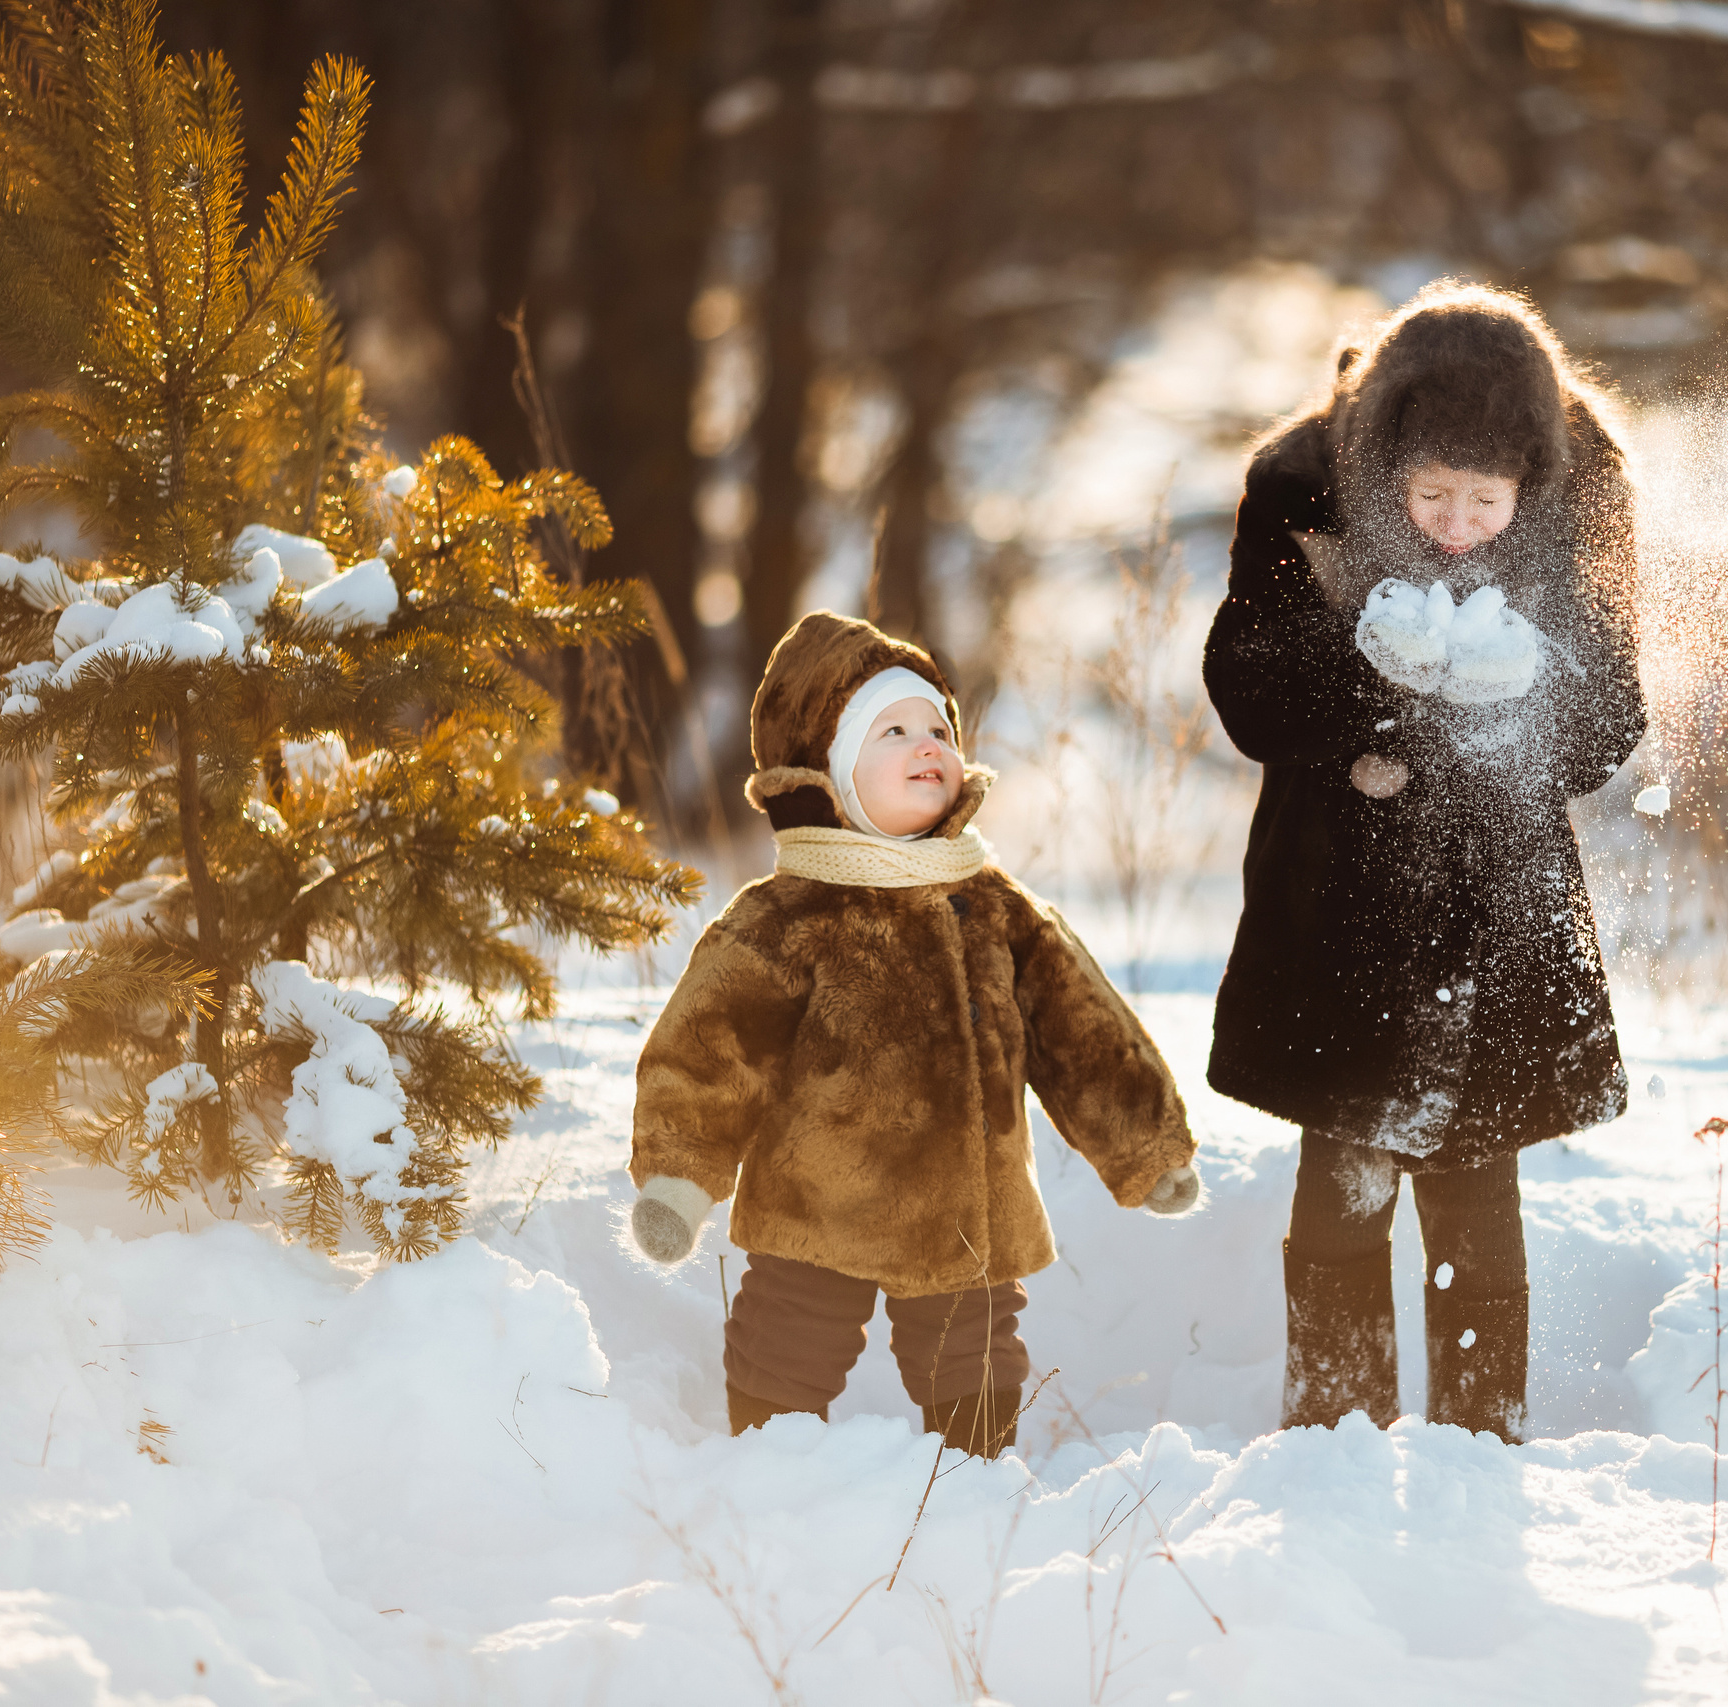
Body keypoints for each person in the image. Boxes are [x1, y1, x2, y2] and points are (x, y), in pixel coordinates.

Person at [1203, 281, 1646, 1442]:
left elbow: (1606, 712)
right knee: (1343, 1156)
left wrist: (1517, 693)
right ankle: (1332, 1432)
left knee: (1474, 1165)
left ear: (1528, 484)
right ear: (1385, 462)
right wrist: (1374, 691)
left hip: (1494, 896)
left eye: (1483, 502)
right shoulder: (1301, 486)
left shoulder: (1585, 488)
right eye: (1431, 496)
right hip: (1335, 889)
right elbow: (1247, 685)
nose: (1455, 525)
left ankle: (1478, 1438)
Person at [626, 610, 1202, 1457]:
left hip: (967, 1200)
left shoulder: (994, 904)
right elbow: (707, 1046)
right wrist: (679, 1176)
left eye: (938, 725)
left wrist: (1144, 1144)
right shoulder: (788, 914)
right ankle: (768, 1465)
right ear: (824, 770)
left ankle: (974, 1477)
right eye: (891, 729)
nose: (928, 742)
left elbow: (1080, 1029)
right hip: (820, 1199)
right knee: (790, 1335)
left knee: (974, 1350)